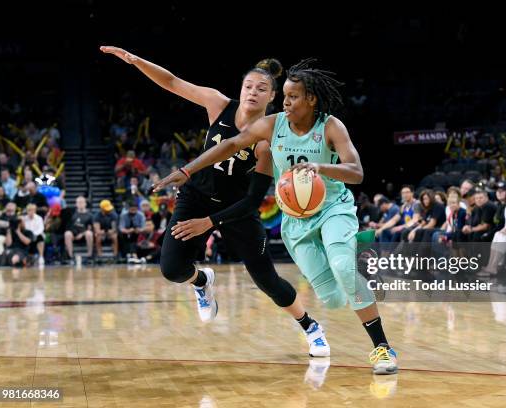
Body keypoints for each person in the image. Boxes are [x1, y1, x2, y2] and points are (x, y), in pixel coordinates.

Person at [153, 59, 398, 374]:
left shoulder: (322, 127)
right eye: (284, 95)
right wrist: (186, 170)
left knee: (324, 272)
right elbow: (228, 142)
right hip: (276, 215)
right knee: (334, 299)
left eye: (291, 96)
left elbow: (355, 173)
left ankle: (373, 345)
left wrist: (320, 168)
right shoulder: (264, 123)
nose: (285, 101)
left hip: (304, 207)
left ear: (310, 99)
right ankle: (204, 282)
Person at [100, 46, 329, 358]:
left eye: (261, 89)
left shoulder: (269, 139)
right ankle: (201, 280)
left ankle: (310, 326)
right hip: (196, 196)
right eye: (248, 86)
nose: (252, 92)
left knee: (267, 281)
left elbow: (252, 201)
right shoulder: (218, 104)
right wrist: (136, 61)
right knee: (171, 268)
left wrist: (209, 223)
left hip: (236, 208)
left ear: (272, 98)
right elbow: (171, 82)